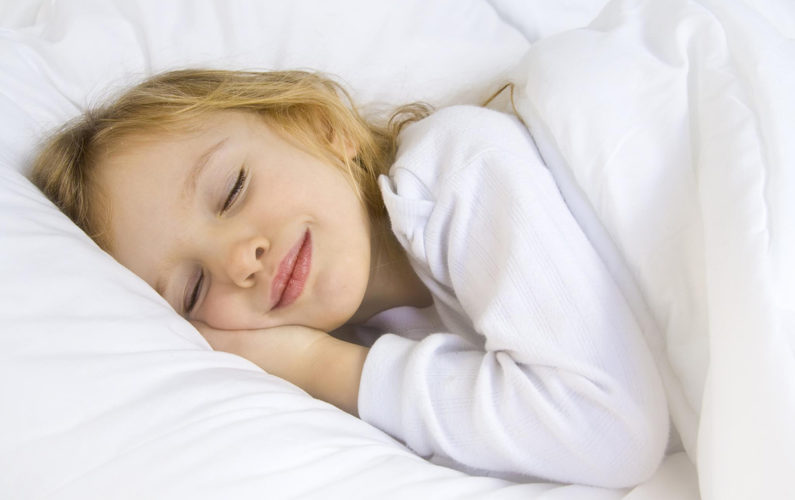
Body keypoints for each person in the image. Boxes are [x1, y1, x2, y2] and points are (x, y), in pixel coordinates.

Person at [30, 69, 668, 488]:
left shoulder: (458, 165)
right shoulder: (376, 353)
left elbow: (611, 434)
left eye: (232, 190)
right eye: (194, 290)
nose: (238, 260)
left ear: (323, 127)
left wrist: (316, 363)